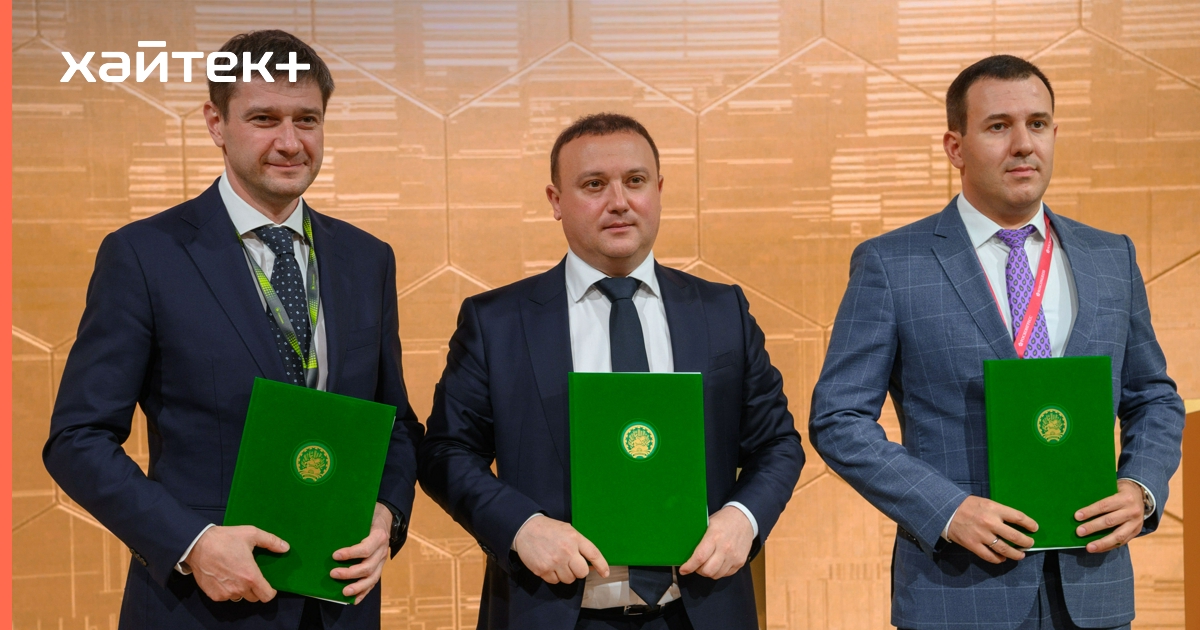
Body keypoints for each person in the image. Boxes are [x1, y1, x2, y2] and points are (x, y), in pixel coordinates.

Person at [43, 30, 423, 629]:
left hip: (339, 605)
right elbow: (77, 439)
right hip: (201, 607)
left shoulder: (367, 259)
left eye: (307, 120)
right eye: (264, 119)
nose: (290, 142)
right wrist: (192, 543)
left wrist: (387, 516)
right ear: (216, 123)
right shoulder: (144, 255)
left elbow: (394, 422)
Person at [809, 54, 1185, 630]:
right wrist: (946, 510)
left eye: (1037, 124)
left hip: (1094, 590)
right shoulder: (892, 264)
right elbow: (838, 418)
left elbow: (1153, 397)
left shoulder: (1112, 257)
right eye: (998, 126)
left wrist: (1141, 487)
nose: (1023, 144)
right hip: (957, 590)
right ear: (955, 147)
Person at [418, 113, 804, 630]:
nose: (619, 201)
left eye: (635, 181)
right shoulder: (497, 322)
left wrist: (744, 518)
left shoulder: (722, 311)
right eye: (594, 185)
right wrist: (521, 527)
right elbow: (445, 451)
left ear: (659, 191)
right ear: (556, 201)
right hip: (553, 612)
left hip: (699, 611)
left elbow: (777, 444)